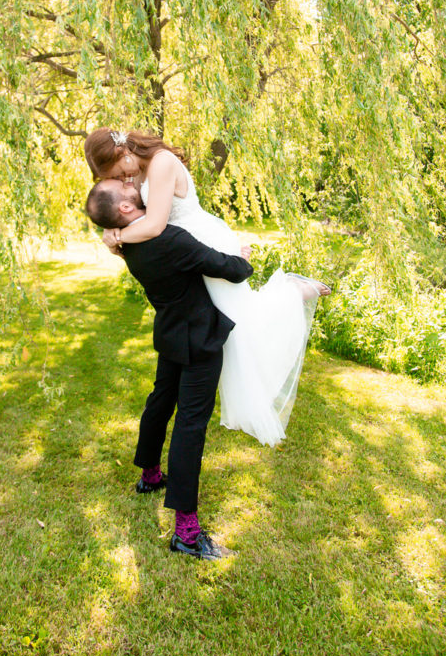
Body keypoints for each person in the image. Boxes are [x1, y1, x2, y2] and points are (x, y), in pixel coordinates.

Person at [84, 127, 330, 446]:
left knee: (244, 323)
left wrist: (116, 237)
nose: (124, 181)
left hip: (202, 247)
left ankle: (293, 292)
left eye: (119, 172)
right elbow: (141, 220)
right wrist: (116, 233)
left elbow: (156, 224)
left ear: (123, 153)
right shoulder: (140, 170)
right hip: (186, 255)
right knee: (225, 328)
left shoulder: (160, 163)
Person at [85, 176, 254, 560]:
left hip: (171, 332)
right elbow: (223, 267)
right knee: (191, 426)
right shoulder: (167, 239)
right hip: (199, 337)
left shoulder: (128, 244)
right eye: (126, 187)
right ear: (126, 209)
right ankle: (187, 533)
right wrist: (242, 259)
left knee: (160, 401)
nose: (134, 184)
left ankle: (149, 476)